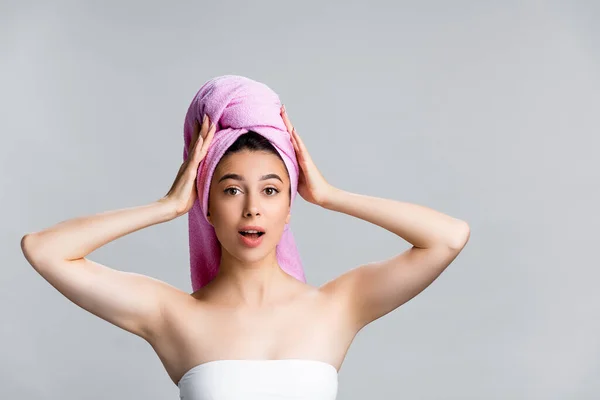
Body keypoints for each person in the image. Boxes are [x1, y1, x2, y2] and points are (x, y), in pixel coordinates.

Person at [21, 105, 470, 399]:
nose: (253, 208)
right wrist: (168, 206)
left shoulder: (337, 305)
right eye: (232, 189)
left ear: (289, 207)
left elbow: (448, 237)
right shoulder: (173, 315)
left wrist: (329, 194)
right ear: (208, 208)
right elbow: (44, 250)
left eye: (272, 190)